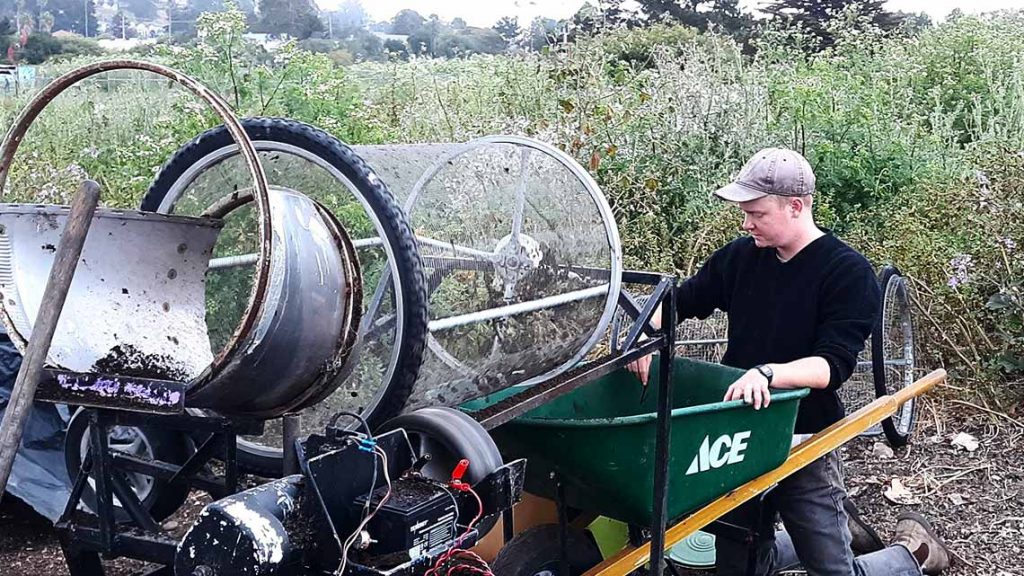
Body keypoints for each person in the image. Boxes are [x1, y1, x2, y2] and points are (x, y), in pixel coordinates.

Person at [628, 148, 951, 575]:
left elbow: (830, 367)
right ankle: (836, 531)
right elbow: (680, 301)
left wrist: (769, 373)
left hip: (804, 437)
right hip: (739, 435)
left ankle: (915, 552)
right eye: (745, 213)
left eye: (757, 213)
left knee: (833, 571)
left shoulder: (847, 273)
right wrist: (644, 335)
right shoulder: (741, 257)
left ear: (795, 206)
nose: (747, 223)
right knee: (739, 566)